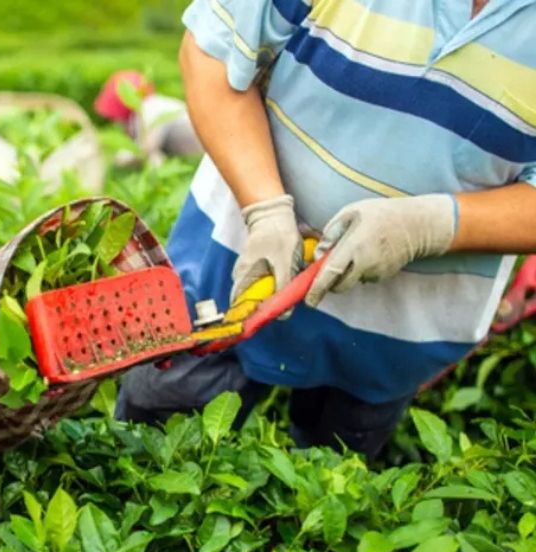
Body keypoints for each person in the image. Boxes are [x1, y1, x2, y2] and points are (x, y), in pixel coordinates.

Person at [114, 0, 536, 459]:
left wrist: (431, 226)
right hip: (235, 268)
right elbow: (214, 48)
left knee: (330, 480)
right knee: (152, 442)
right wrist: (266, 209)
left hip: (396, 333)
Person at [95, 69, 205, 167]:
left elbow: (144, 150)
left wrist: (111, 161)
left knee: (152, 158)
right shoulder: (151, 105)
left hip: (205, 155)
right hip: (198, 155)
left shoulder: (150, 108)